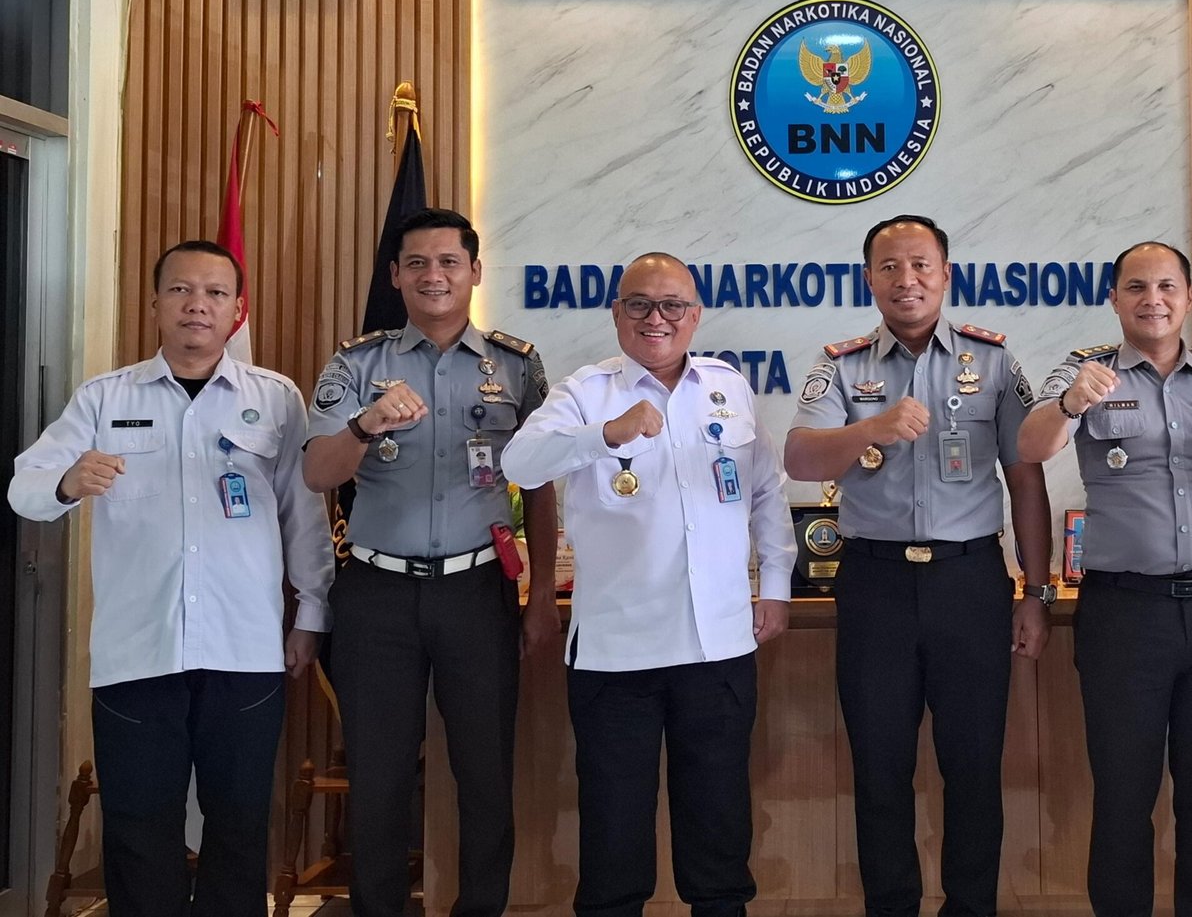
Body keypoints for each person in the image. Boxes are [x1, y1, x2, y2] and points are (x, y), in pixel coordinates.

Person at [8, 240, 334, 917]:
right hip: (137, 652)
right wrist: (67, 481)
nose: (197, 305)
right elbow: (24, 486)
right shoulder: (105, 397)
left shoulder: (275, 399)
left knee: (238, 822)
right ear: (154, 302)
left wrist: (310, 612)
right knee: (138, 827)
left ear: (237, 309)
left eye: (215, 293)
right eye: (181, 290)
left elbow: (303, 513)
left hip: (244, 650)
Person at [501, 251, 795, 917]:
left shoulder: (727, 386)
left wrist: (776, 584)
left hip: (717, 645)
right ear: (617, 313)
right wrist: (605, 433)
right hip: (617, 655)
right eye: (639, 303)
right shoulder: (586, 391)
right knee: (614, 835)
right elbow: (520, 461)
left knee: (719, 832)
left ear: (695, 315)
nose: (655, 318)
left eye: (671, 305)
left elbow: (765, 492)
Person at [785, 214, 1052, 917]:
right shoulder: (841, 365)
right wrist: (871, 426)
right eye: (890, 267)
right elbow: (799, 457)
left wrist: (1037, 590)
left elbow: (1026, 478)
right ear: (869, 279)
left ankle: (972, 907)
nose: (906, 279)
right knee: (879, 770)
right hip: (874, 585)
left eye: (921, 265)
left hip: (970, 582)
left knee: (974, 768)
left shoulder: (993, 361)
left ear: (946, 274)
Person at [302, 207, 557, 917]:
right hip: (376, 594)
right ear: (395, 275)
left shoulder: (516, 364)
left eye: (448, 261)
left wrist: (539, 595)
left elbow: (540, 483)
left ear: (474, 271)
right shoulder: (356, 364)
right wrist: (365, 423)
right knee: (379, 777)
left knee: (485, 772)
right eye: (416, 262)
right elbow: (318, 473)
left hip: (477, 592)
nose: (433, 275)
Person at [1018, 241, 1192, 917]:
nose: (1153, 299)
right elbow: (1030, 445)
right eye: (1136, 287)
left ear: (1189, 297)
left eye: (1167, 286)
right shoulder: (1086, 370)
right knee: (1123, 794)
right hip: (1124, 616)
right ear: (1114, 299)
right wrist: (1071, 403)